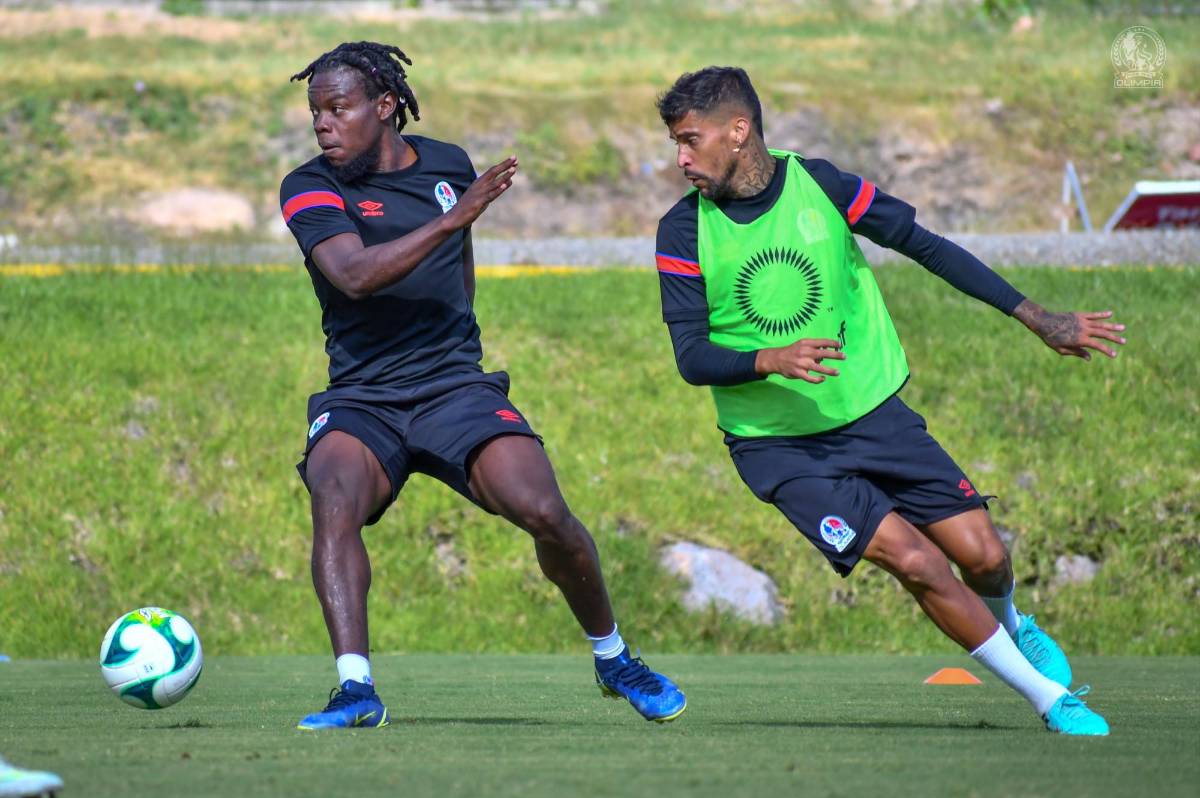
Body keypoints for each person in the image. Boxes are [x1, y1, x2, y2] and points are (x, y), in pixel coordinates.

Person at [653, 66, 1125, 735]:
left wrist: (1035, 315)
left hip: (874, 414)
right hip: (778, 445)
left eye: (690, 140)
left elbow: (924, 246)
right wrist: (768, 360)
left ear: (739, 131)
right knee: (918, 562)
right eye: (675, 142)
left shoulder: (821, 184)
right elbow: (691, 357)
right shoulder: (681, 232)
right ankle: (1052, 700)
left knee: (985, 556)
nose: (680, 159)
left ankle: (1015, 624)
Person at [279, 41, 685, 729]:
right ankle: (356, 690)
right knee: (334, 491)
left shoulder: (446, 165)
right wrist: (453, 218)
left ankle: (614, 658)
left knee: (546, 511)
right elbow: (352, 274)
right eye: (315, 111)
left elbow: (458, 270)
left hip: (453, 389)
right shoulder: (309, 186)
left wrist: (459, 344)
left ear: (385, 108)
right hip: (363, 397)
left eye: (337, 108)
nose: (322, 124)